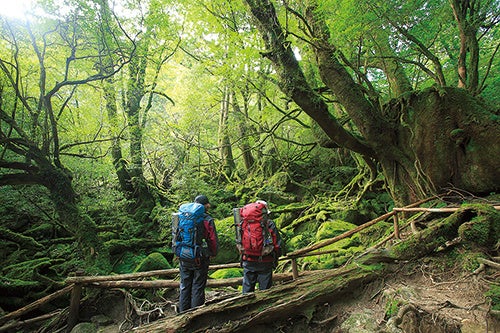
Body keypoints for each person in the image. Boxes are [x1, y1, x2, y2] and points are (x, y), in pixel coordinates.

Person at [178, 194, 218, 312]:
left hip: (184, 256)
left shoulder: (183, 216)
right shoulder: (207, 220)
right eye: (207, 204)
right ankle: (196, 315)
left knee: (185, 286)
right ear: (206, 205)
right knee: (198, 286)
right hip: (200, 256)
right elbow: (212, 239)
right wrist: (213, 253)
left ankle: (182, 314)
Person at [239, 200, 282, 293]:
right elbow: (276, 243)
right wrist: (277, 256)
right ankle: (264, 307)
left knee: (247, 289)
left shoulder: (243, 223)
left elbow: (239, 240)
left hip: (248, 259)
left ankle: (244, 306)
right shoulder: (269, 223)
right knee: (265, 291)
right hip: (265, 260)